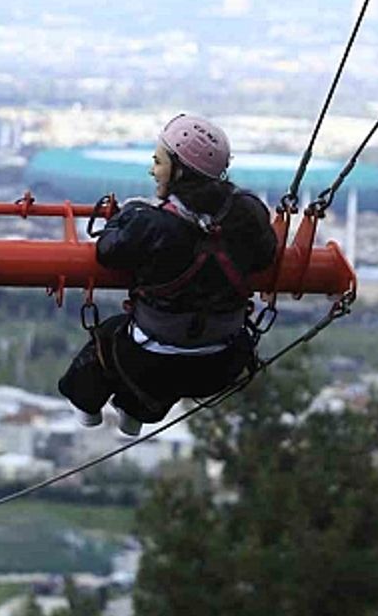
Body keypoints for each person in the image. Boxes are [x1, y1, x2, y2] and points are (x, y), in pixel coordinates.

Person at [58, 114, 278, 436]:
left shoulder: (152, 224)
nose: (153, 170)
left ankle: (86, 408)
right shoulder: (248, 214)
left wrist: (128, 215)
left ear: (180, 171)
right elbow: (264, 257)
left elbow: (108, 251)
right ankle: (134, 414)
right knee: (169, 354)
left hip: (151, 365)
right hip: (224, 361)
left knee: (111, 338)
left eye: (158, 161)